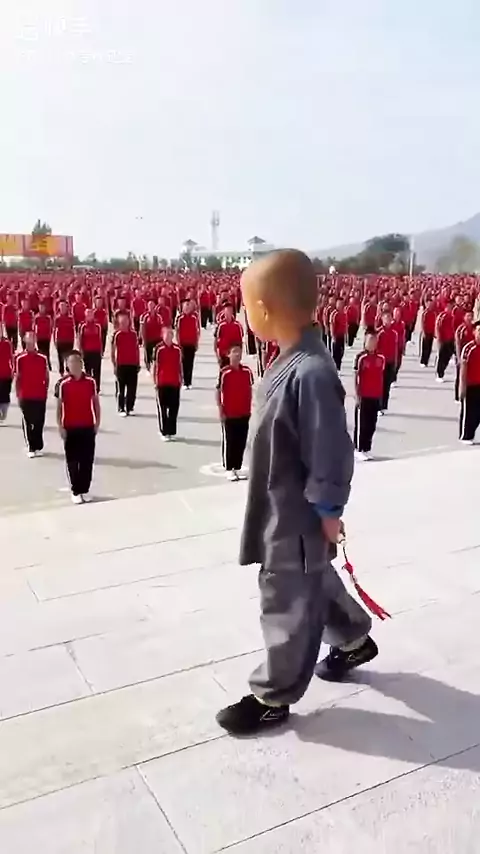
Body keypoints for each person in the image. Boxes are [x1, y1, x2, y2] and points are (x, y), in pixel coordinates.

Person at [216, 250, 376, 737]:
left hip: (296, 513)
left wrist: (329, 509)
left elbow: (330, 449)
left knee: (285, 596)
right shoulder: (291, 360)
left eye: (247, 305)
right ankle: (353, 639)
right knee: (312, 579)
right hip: (281, 505)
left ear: (263, 310)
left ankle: (274, 694)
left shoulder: (311, 372)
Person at [56, 350, 100, 504]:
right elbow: (59, 407)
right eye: (71, 363)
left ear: (81, 364)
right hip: (70, 427)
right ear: (67, 365)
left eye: (77, 362)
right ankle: (75, 490)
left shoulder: (91, 382)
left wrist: (97, 423)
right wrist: (60, 426)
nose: (74, 365)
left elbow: (96, 403)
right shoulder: (63, 384)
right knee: (73, 460)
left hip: (87, 426)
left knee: (87, 460)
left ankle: (84, 489)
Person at [216, 344, 254, 481]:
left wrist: (250, 406)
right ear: (229, 355)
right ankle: (229, 468)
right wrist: (221, 410)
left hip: (244, 411)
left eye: (239, 352)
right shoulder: (225, 372)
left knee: (241, 441)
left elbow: (250, 388)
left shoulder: (247, 371)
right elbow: (218, 391)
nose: (237, 355)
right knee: (230, 441)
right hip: (230, 412)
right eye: (234, 352)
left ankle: (237, 466)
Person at [15, 331, 49, 458]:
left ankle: (38, 445)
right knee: (28, 420)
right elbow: (18, 377)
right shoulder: (20, 358)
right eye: (28, 341)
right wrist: (18, 393)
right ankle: (30, 446)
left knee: (39, 421)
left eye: (32, 340)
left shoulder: (42, 358)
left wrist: (45, 389)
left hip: (40, 394)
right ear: (24, 341)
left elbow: (46, 375)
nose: (30, 343)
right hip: (26, 394)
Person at [353, 331, 385, 461]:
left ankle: (367, 448)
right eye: (370, 341)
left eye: (374, 341)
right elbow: (356, 377)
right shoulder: (361, 358)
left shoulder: (381, 358)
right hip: (364, 395)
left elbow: (381, 377)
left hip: (375, 395)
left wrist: (380, 395)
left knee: (372, 424)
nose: (372, 343)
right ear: (365, 342)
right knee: (363, 423)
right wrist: (357, 395)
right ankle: (358, 448)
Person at [152, 327, 182, 441]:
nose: (168, 337)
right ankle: (164, 431)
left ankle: (171, 431)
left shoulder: (177, 349)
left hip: (174, 382)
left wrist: (181, 378)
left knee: (174, 408)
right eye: (166, 335)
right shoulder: (159, 349)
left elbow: (180, 365)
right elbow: (155, 365)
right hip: (162, 382)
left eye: (170, 335)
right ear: (163, 336)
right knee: (163, 408)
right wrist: (155, 380)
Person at [111, 313, 140, 416]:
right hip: (121, 364)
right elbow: (113, 350)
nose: (124, 324)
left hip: (132, 364)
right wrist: (114, 364)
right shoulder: (117, 335)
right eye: (122, 322)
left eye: (126, 321)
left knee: (132, 388)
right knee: (121, 388)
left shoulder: (133, 334)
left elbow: (136, 349)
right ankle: (121, 408)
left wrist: (138, 362)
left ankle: (130, 407)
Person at [459, 322, 480, 444]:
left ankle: (471, 432)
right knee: (469, 412)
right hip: (471, 385)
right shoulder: (468, 348)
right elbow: (463, 368)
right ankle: (466, 435)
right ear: (474, 332)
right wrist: (462, 387)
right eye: (479, 331)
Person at [376, 311, 398, 413]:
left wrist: (395, 361)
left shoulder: (394, 333)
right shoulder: (379, 333)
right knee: (380, 385)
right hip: (381, 363)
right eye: (386, 318)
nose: (388, 320)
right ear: (382, 319)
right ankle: (378, 406)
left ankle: (384, 405)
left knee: (387, 385)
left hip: (390, 362)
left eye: (389, 318)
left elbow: (395, 348)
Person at [176, 299, 200, 389]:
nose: (187, 308)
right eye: (185, 306)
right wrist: (178, 343)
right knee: (183, 363)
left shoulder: (194, 318)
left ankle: (189, 381)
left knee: (190, 363)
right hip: (183, 344)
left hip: (191, 343)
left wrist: (196, 342)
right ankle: (184, 381)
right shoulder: (180, 318)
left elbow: (197, 331)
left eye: (188, 306)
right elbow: (177, 332)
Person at [78, 308, 103, 392]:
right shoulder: (83, 326)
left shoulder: (97, 326)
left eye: (91, 314)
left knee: (97, 372)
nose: (90, 316)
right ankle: (89, 387)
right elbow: (80, 340)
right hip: (87, 352)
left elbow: (100, 339)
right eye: (88, 314)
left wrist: (101, 351)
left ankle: (97, 388)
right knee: (87, 371)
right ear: (85, 316)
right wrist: (81, 351)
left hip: (96, 352)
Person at [214, 304, 244, 370]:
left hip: (233, 355)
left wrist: (240, 355)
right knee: (224, 372)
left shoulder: (237, 325)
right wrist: (217, 355)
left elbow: (240, 342)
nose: (228, 312)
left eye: (230, 310)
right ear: (224, 312)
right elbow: (216, 341)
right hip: (223, 355)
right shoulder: (221, 325)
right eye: (227, 310)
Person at [454, 311, 474, 402]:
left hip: (470, 356)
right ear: (464, 317)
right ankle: (457, 396)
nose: (470, 318)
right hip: (462, 356)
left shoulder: (474, 329)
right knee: (460, 376)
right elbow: (458, 344)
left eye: (471, 316)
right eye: (468, 316)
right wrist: (459, 358)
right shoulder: (461, 329)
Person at [435, 301, 455, 382]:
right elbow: (438, 327)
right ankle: (439, 374)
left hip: (450, 340)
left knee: (447, 357)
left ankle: (442, 370)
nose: (451, 308)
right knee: (442, 357)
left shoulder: (452, 316)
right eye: (449, 306)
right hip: (443, 340)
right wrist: (439, 339)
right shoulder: (442, 316)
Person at [54, 301, 75, 375]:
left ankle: (69, 370)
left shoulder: (70, 318)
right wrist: (55, 340)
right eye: (61, 307)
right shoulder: (57, 318)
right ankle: (61, 371)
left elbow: (73, 330)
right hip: (60, 340)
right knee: (60, 357)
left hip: (69, 340)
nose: (63, 309)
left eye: (64, 307)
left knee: (68, 357)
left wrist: (73, 340)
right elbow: (55, 330)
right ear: (59, 308)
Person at [141, 301, 163, 370]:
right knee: (148, 354)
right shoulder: (145, 317)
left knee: (157, 355)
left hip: (157, 339)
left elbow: (161, 327)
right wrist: (143, 339)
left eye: (153, 306)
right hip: (148, 339)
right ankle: (148, 367)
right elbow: (143, 328)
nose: (151, 308)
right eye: (150, 306)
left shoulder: (159, 317)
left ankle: (156, 367)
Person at [329, 298, 347, 371]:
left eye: (341, 303)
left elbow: (345, 325)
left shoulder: (344, 314)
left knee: (342, 351)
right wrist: (333, 336)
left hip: (342, 335)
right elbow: (332, 325)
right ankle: (335, 366)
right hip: (336, 336)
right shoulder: (334, 314)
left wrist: (346, 334)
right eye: (339, 304)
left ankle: (338, 364)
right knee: (336, 352)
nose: (340, 305)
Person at [0, 328, 14, 422]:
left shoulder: (7, 344)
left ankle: (4, 412)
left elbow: (11, 358)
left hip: (6, 374)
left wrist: (13, 370)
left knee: (5, 394)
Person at [34, 303, 53, 369]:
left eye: (43, 307)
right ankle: (42, 365)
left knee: (47, 352)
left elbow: (51, 327)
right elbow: (34, 327)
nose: (41, 309)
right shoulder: (36, 317)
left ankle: (48, 365)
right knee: (40, 352)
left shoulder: (48, 317)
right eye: (40, 307)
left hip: (46, 337)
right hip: (39, 337)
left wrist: (50, 336)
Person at [420, 298, 436, 367]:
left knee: (429, 347)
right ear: (426, 304)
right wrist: (423, 332)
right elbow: (423, 323)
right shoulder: (425, 313)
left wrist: (434, 332)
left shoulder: (434, 313)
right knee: (425, 347)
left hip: (431, 332)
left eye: (431, 304)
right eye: (429, 304)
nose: (430, 306)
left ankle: (426, 361)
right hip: (426, 332)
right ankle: (423, 361)